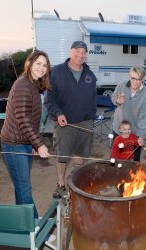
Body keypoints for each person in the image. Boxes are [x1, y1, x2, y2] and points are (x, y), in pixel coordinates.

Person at [0, 50, 51, 218]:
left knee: (21, 186)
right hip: (13, 144)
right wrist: (39, 143)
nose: (42, 68)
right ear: (29, 64)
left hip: (23, 142)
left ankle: (21, 221)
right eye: (38, 64)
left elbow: (32, 119)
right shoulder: (23, 84)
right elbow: (23, 118)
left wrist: (32, 143)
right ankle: (34, 226)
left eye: (44, 65)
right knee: (24, 187)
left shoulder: (33, 85)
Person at [44, 41, 97, 198]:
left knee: (81, 154)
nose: (81, 55)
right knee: (62, 155)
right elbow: (49, 99)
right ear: (70, 52)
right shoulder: (56, 72)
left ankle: (76, 184)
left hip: (85, 123)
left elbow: (93, 98)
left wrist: (92, 115)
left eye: (84, 53)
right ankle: (60, 185)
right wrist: (58, 114)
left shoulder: (90, 75)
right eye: (77, 52)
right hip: (64, 123)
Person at [111, 66, 146, 162]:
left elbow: (145, 118)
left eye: (139, 79)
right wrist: (117, 100)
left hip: (134, 132)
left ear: (142, 80)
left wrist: (141, 136)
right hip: (119, 129)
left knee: (133, 160)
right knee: (117, 155)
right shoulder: (122, 85)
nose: (135, 82)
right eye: (133, 78)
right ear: (130, 77)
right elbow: (113, 97)